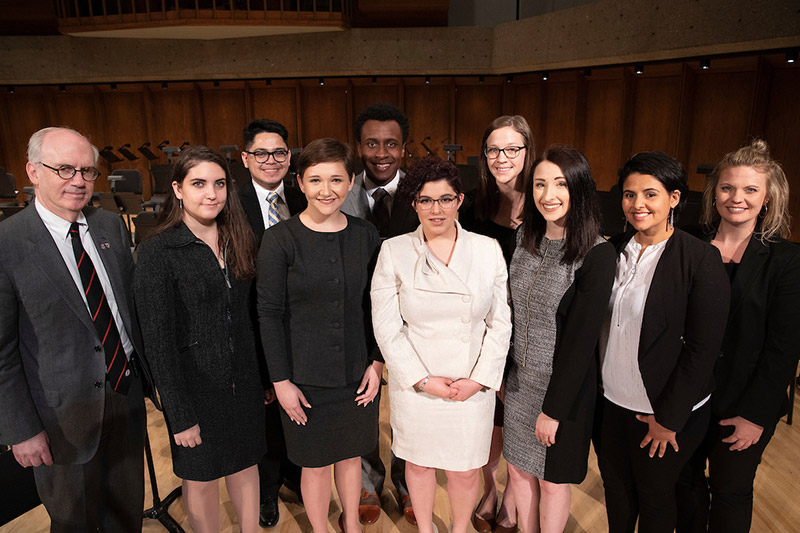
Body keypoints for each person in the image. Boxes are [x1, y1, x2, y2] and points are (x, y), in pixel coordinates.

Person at [0, 126, 151, 531]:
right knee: (75, 523)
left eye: (87, 171)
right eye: (65, 169)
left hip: (124, 397)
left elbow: (125, 313)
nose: (78, 181)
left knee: (126, 517)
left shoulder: (110, 227)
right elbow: (2, 353)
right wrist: (21, 430)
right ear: (33, 171)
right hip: (60, 418)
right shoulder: (7, 244)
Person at [371, 156, 513, 533]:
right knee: (418, 465)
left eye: (445, 199)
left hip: (470, 383)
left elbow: (501, 323)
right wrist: (421, 379)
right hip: (418, 383)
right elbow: (386, 326)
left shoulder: (487, 250)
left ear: (460, 200)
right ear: (414, 203)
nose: (436, 209)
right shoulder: (395, 251)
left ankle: (460, 527)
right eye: (426, 200)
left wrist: (480, 380)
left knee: (465, 470)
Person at [595, 151, 730, 533]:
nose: (638, 204)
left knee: (655, 499)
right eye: (629, 194)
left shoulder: (700, 259)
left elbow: (703, 350)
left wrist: (668, 420)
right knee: (617, 492)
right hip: (612, 405)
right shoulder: (611, 249)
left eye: (650, 194)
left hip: (663, 413)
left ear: (674, 198)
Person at [134, 145, 266, 533]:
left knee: (246, 467)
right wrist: (179, 413)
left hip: (243, 384)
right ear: (177, 189)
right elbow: (157, 343)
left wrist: (262, 377)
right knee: (202, 478)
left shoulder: (239, 238)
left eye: (219, 184)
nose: (211, 194)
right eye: (198, 184)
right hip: (194, 392)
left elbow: (249, 318)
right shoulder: (159, 251)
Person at [257, 138, 383, 533]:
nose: (326, 190)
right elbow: (269, 314)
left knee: (349, 459)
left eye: (336, 179)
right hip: (303, 378)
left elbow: (378, 306)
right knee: (313, 465)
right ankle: (320, 528)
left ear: (350, 184)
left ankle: (352, 524)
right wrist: (280, 382)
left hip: (356, 374)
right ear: (300, 182)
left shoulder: (366, 235)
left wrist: (377, 363)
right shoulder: (280, 239)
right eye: (315, 180)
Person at [675, 139, 800, 532]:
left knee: (731, 490)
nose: (737, 198)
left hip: (743, 403)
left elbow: (784, 347)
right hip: (688, 399)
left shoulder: (786, 259)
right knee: (686, 484)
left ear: (767, 199)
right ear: (715, 193)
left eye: (750, 190)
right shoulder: (687, 243)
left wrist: (755, 415)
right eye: (728, 188)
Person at [504, 145, 616, 533]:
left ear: (579, 189)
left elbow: (583, 342)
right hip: (519, 384)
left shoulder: (598, 254)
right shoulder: (523, 239)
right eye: (539, 184)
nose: (548, 195)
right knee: (518, 471)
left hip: (563, 392)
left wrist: (553, 410)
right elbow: (510, 315)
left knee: (553, 482)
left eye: (560, 184)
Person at [340, 102, 419, 525]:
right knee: (362, 402)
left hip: (412, 318)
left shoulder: (422, 192)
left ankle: (407, 482)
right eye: (372, 143)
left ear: (404, 148)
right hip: (354, 315)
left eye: (391, 143)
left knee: (409, 403)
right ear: (359, 147)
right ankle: (368, 482)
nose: (381, 152)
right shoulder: (341, 190)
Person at [460, 115, 533, 533]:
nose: (502, 158)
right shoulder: (471, 207)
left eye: (511, 149)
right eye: (493, 150)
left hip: (532, 335)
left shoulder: (545, 203)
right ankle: (490, 490)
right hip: (484, 333)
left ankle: (513, 496)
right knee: (488, 424)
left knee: (520, 426)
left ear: (527, 151)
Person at [239, 118, 306, 528]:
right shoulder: (228, 202)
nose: (271, 160)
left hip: (302, 325)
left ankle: (297, 475)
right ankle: (267, 488)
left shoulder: (305, 195)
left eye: (279, 152)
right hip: (253, 324)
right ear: (245, 159)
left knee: (301, 407)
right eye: (260, 153)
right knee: (265, 412)